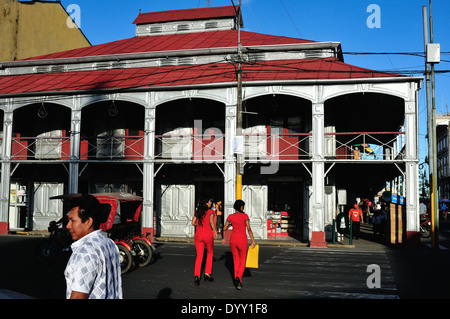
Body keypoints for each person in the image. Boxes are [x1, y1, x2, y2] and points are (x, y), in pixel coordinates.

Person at [64, 194, 122, 299]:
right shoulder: (109, 243)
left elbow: (77, 297)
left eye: (72, 221)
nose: (68, 226)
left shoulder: (85, 251)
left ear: (88, 222)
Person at [223, 199, 256, 290]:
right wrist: (253, 241)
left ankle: (238, 282)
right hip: (242, 240)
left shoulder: (230, 216)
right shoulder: (245, 216)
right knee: (243, 261)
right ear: (241, 207)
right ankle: (238, 277)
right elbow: (249, 229)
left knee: (236, 261)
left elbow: (225, 228)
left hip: (233, 240)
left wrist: (231, 224)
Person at [191, 199, 218, 286]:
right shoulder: (211, 211)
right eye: (210, 201)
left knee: (199, 256)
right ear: (206, 202)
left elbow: (193, 223)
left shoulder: (197, 212)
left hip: (198, 235)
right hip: (208, 235)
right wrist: (215, 232)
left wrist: (199, 224)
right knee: (210, 253)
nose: (211, 203)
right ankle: (207, 273)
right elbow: (211, 223)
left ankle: (197, 275)